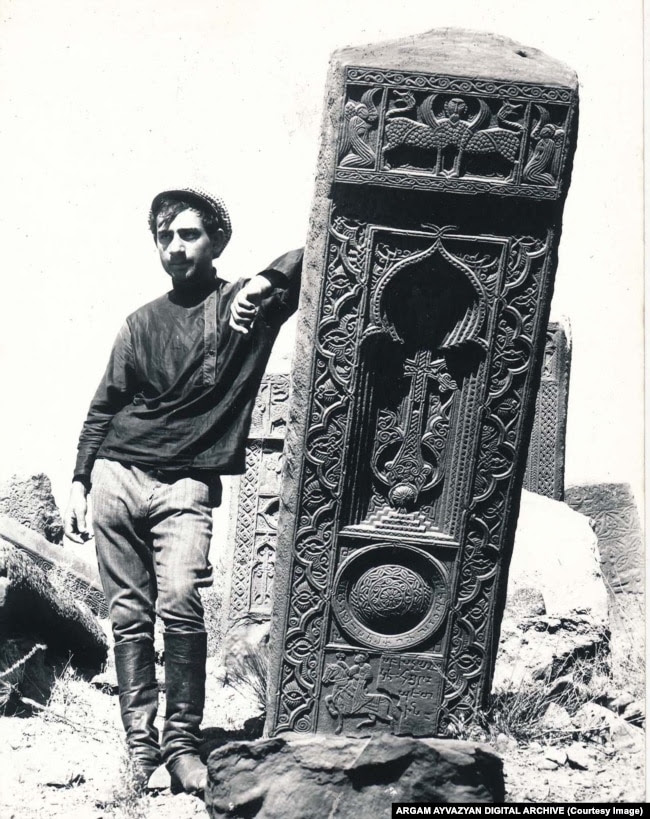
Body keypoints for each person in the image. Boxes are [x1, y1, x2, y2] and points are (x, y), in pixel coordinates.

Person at [63, 186, 302, 795]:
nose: (175, 247)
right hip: (118, 473)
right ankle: (142, 752)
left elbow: (320, 250)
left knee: (181, 601)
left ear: (217, 240)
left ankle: (182, 746)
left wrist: (263, 281)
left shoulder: (246, 305)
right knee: (129, 616)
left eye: (189, 234)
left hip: (187, 484)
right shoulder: (140, 323)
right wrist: (79, 477)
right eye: (164, 237)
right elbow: (104, 406)